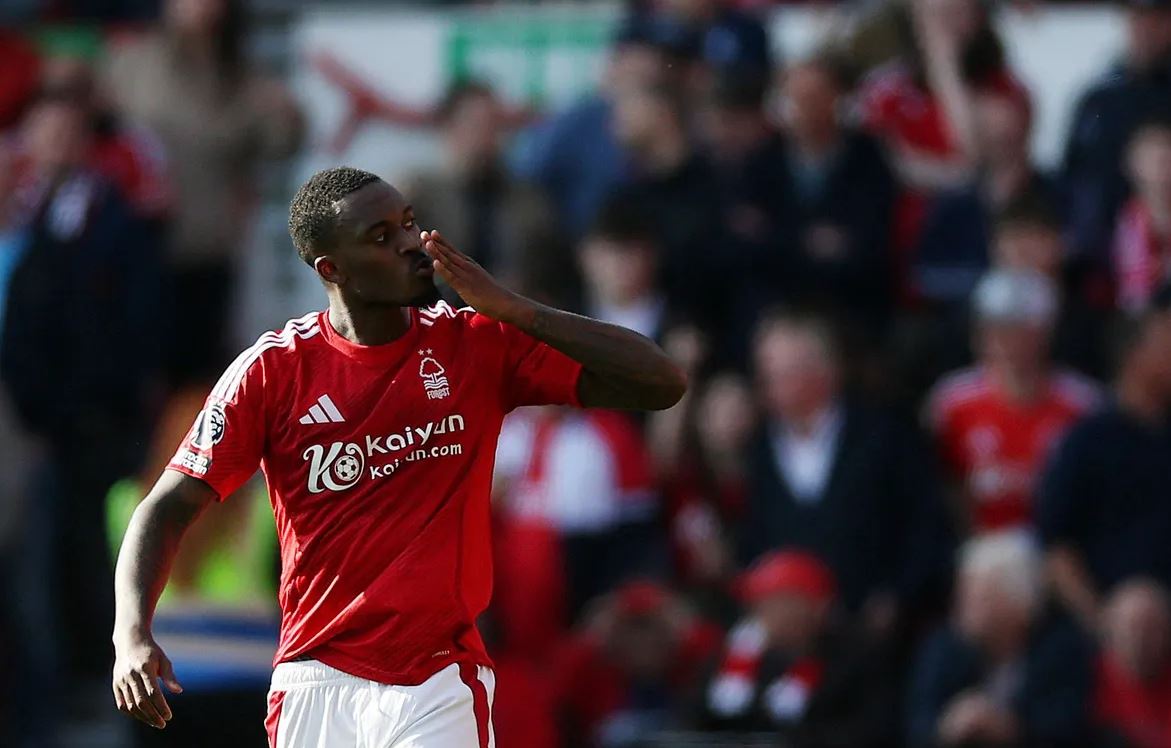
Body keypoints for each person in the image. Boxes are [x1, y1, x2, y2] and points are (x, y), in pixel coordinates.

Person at [110, 166, 687, 745]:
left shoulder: (477, 343)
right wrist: (130, 635)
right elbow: (163, 507)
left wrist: (516, 309)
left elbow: (661, 382)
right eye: (382, 236)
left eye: (409, 223)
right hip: (314, 680)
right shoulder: (272, 372)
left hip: (437, 679)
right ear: (332, 269)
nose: (411, 242)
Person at [101, 0, 304, 386]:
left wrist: (287, 117)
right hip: (129, 248)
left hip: (206, 247)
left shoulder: (239, 77)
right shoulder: (132, 62)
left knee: (197, 374)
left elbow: (280, 141)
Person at [739, 309, 951, 628]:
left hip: (871, 625)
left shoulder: (884, 435)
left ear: (826, 371)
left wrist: (897, 595)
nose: (770, 383)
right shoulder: (757, 446)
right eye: (767, 371)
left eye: (785, 371)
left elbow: (924, 523)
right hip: (784, 628)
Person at [1037, 284, 1171, 634]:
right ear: (1134, 353)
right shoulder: (1087, 441)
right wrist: (1100, 623)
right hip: (1109, 617)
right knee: (1138, 611)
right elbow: (1057, 548)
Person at [926, 269, 1099, 536]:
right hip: (979, 544)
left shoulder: (1082, 405)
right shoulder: (951, 402)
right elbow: (942, 485)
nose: (1006, 342)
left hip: (1057, 543)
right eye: (996, 329)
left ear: (1045, 333)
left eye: (1020, 330)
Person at [907, 532, 1093, 748]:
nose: (963, 608)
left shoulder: (1062, 651)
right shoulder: (943, 648)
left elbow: (1067, 728)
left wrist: (1009, 728)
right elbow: (917, 725)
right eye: (963, 595)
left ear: (1021, 603)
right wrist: (947, 726)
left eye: (979, 597)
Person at [695, 550, 895, 745]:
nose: (766, 615)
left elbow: (867, 731)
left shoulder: (856, 661)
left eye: (779, 603)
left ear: (819, 607)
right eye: (759, 603)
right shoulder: (736, 655)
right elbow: (701, 721)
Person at [403, 80, 564, 305]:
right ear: (449, 126)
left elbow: (550, 269)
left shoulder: (529, 201)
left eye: (495, 124)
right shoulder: (417, 195)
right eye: (476, 124)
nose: (488, 135)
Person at [551, 580, 721, 748]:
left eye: (649, 628)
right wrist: (590, 639)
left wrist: (686, 629)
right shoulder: (593, 671)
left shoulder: (689, 666)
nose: (641, 641)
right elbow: (553, 695)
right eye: (631, 629)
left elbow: (714, 646)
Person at [1063, 0, 1171, 261]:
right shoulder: (1098, 99)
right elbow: (1075, 176)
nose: (1146, 28)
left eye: (1156, 18)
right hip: (1102, 253)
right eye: (1138, 17)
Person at [1094, 578, 1171, 748]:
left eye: (1151, 629)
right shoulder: (1086, 679)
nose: (1140, 640)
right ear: (1111, 632)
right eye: (1131, 628)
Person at [1112, 116, 1171, 312]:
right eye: (1155, 161)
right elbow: (1133, 284)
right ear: (1133, 166)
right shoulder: (1128, 219)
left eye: (1167, 159)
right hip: (1142, 312)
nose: (1163, 170)